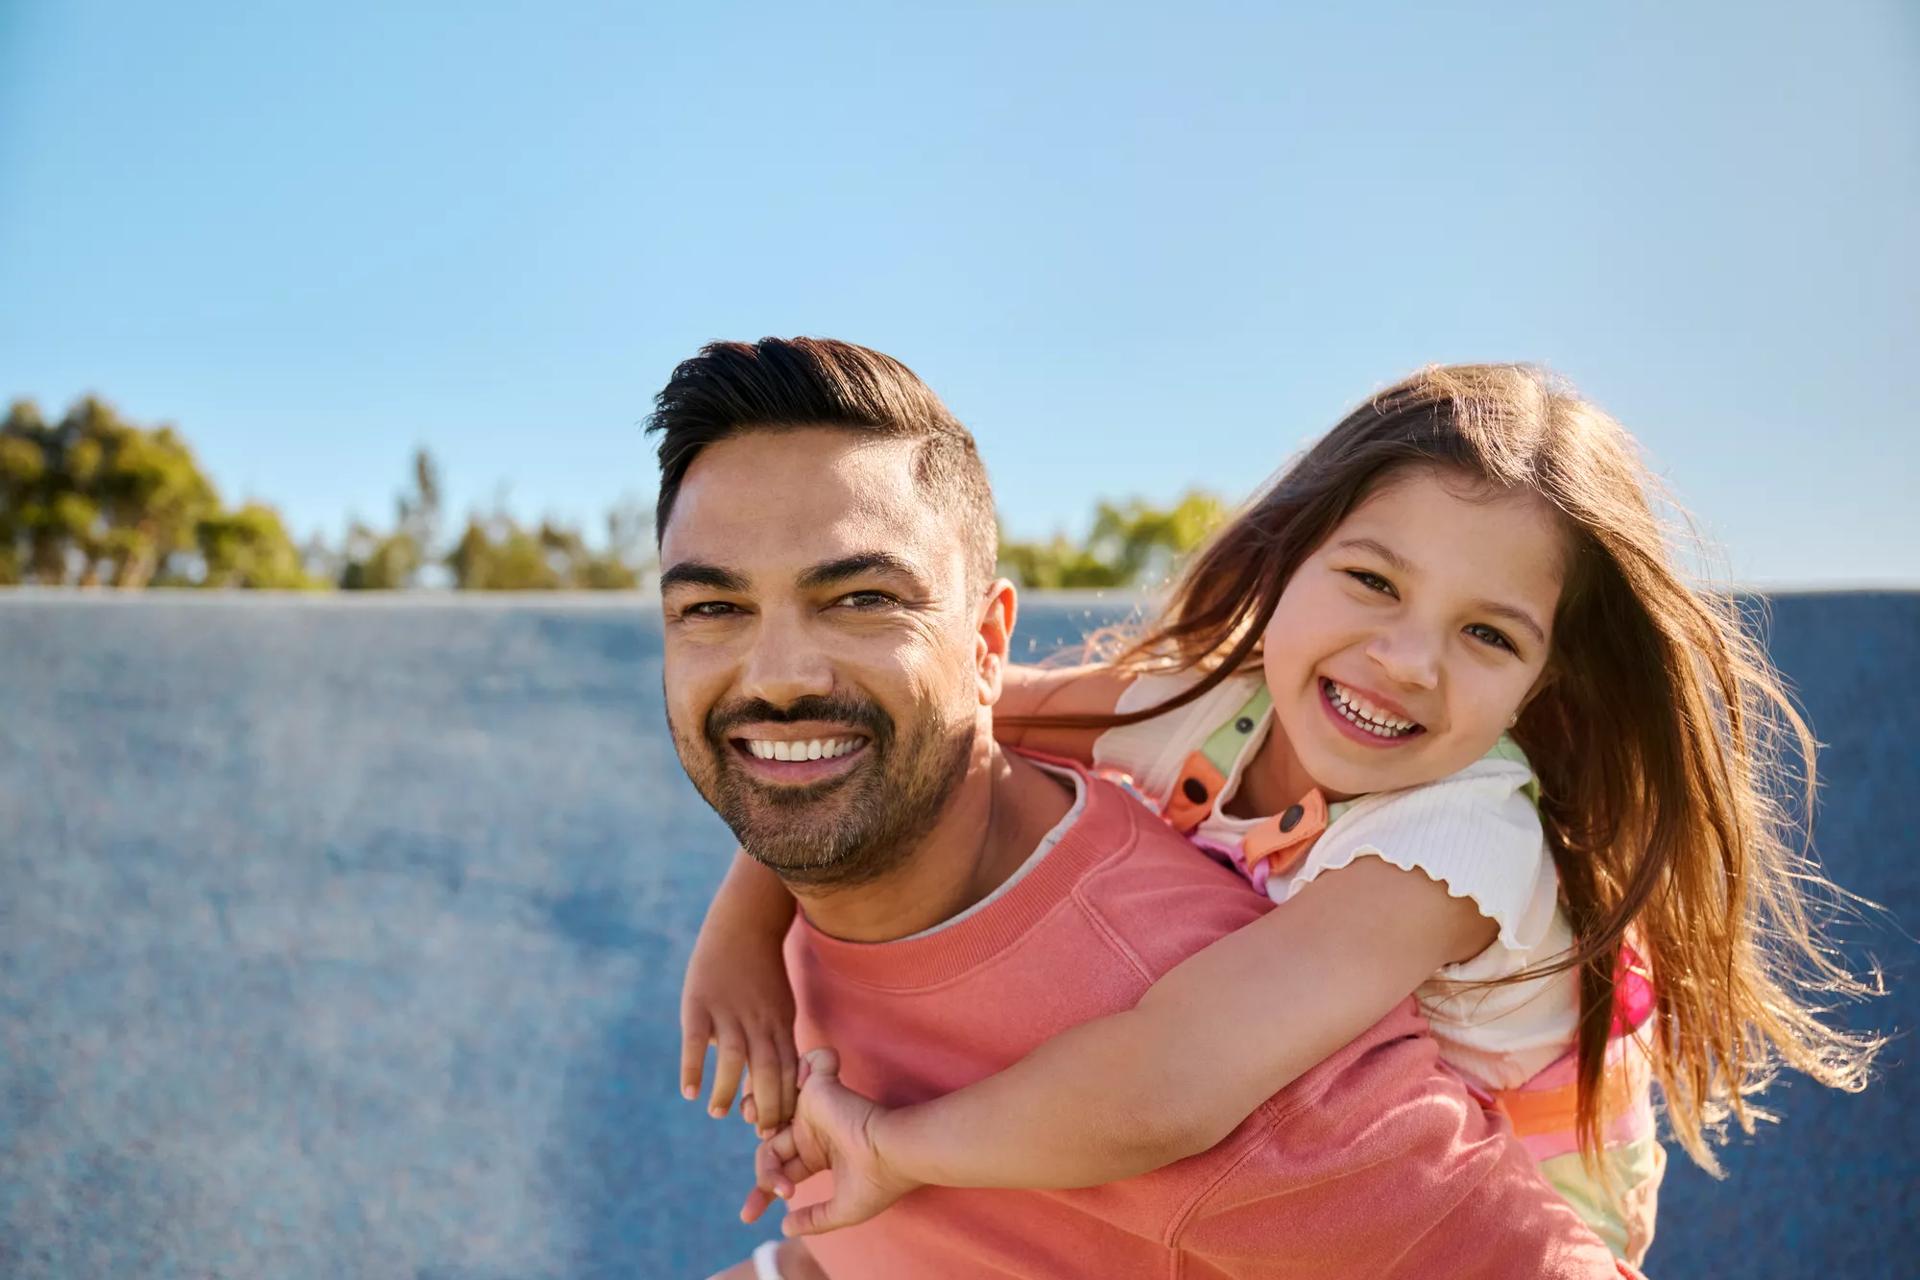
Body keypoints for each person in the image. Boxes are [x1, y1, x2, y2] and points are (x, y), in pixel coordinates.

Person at [715, 362, 1878, 1269]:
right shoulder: (1207, 705)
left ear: (1543, 684)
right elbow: (914, 722)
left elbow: (1168, 1081)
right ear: (1291, 556)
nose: (1406, 660)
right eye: (1372, 580)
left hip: (1473, 1227)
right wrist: (745, 927)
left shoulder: (1458, 840)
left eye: (1489, 634)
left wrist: (892, 1145)